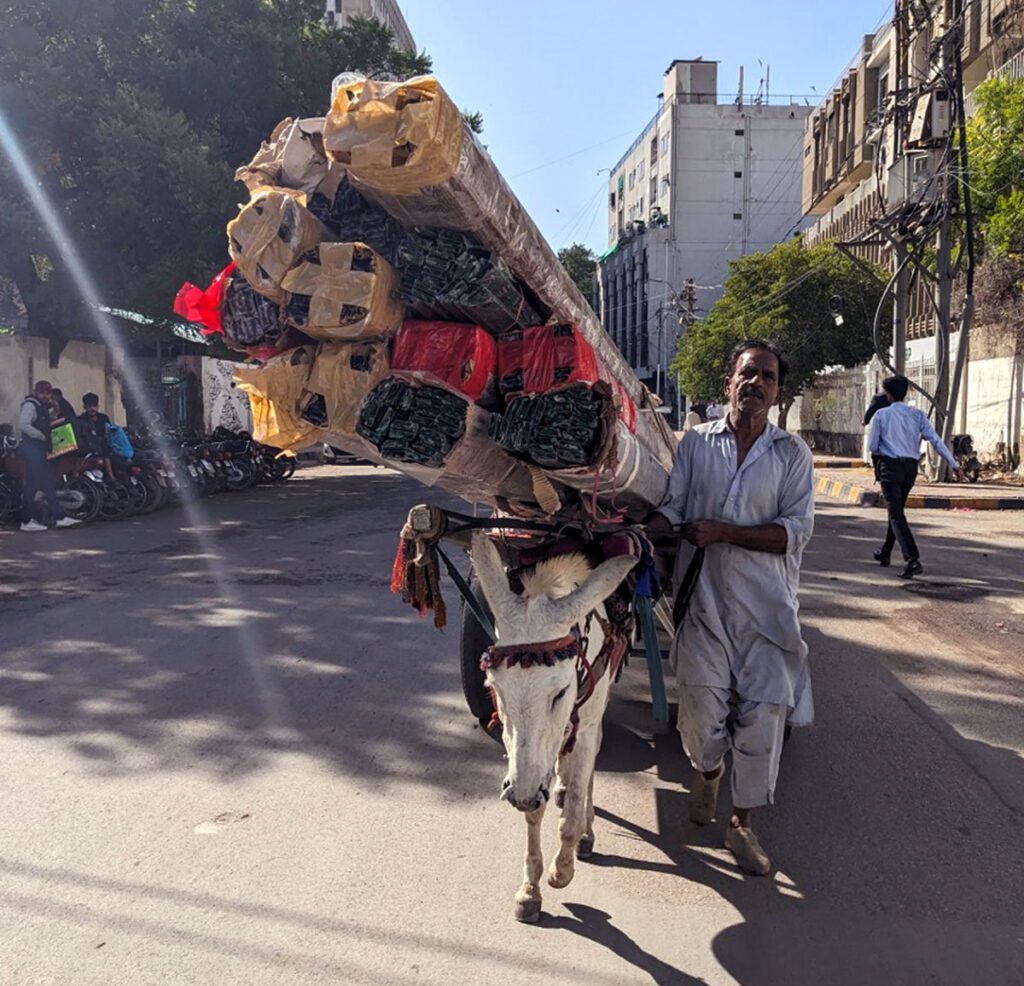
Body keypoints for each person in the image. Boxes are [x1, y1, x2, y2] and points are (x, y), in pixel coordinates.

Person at [645, 340, 814, 876]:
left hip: (769, 613)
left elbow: (793, 533)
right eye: (748, 374)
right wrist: (626, 529)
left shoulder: (792, 455)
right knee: (699, 717)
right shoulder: (696, 445)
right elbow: (672, 508)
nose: (756, 383)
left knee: (763, 718)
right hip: (705, 607)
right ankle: (708, 773)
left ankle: (742, 827)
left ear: (777, 390)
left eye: (767, 376)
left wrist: (723, 532)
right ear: (729, 383)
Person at [867, 375, 964, 578]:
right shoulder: (918, 415)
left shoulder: (881, 416)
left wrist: (882, 456)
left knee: (895, 514)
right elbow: (936, 441)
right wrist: (954, 464)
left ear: (888, 394)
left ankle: (912, 559)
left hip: (890, 468)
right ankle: (885, 552)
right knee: (897, 512)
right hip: (910, 470)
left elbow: (873, 447)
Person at [15, 380, 80, 532]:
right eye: (42, 393)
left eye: (47, 393)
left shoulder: (41, 406)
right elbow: (23, 425)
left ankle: (59, 518)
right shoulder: (30, 405)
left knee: (47, 485)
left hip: (38, 449)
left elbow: (42, 421)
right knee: (32, 486)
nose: (45, 396)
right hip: (31, 449)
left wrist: (54, 413)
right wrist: (41, 436)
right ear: (36, 392)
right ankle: (26, 521)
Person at [78, 392, 115, 482]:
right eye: (89, 406)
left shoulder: (103, 418)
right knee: (105, 449)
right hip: (90, 446)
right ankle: (111, 477)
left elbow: (109, 431)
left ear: (98, 406)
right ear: (85, 407)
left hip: (105, 443)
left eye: (94, 406)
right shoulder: (82, 419)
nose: (92, 408)